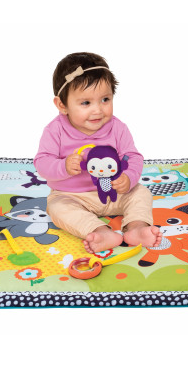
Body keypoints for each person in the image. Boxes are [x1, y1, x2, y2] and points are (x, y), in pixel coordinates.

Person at [34, 52, 162, 254]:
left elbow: (133, 156)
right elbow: (42, 162)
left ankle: (136, 227)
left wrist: (129, 178)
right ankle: (100, 231)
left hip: (115, 193)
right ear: (62, 105)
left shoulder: (117, 128)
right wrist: (63, 166)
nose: (98, 110)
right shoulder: (55, 130)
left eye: (105, 99)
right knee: (57, 208)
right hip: (72, 196)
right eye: (86, 103)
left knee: (141, 193)